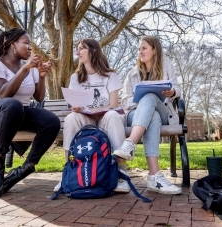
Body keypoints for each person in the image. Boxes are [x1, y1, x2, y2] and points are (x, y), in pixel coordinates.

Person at [0, 28, 61, 199]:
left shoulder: (31, 68)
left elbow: (39, 97)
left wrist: (41, 76)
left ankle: (23, 170)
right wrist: (25, 69)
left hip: (20, 115)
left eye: (31, 44)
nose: (30, 47)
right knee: (12, 104)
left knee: (52, 121)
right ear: (12, 45)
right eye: (26, 43)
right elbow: (3, 94)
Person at [53, 38, 129, 193]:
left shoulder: (110, 76)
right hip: (86, 118)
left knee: (114, 116)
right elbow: (76, 102)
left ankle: (121, 172)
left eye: (82, 48)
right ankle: (69, 169)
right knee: (71, 118)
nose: (77, 52)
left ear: (93, 51)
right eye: (77, 48)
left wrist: (94, 110)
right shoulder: (76, 77)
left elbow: (114, 104)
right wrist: (76, 108)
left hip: (105, 117)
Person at [114, 36, 182, 195]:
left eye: (144, 48)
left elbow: (177, 89)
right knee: (152, 112)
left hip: (163, 110)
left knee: (151, 98)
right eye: (139, 49)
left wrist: (171, 92)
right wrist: (141, 101)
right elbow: (124, 101)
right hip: (135, 115)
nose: (140, 51)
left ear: (154, 50)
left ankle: (130, 144)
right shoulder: (132, 74)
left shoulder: (167, 66)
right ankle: (154, 176)